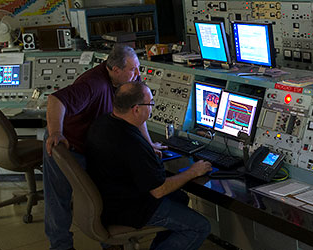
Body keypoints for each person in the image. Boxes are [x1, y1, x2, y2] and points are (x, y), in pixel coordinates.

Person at [43, 44, 166, 250]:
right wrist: (56, 132)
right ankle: (60, 246)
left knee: (103, 193)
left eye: (138, 68)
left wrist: (148, 143)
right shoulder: (93, 84)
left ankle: (110, 244)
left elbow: (139, 109)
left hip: (94, 144)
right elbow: (56, 100)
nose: (138, 74)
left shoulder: (128, 79)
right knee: (59, 198)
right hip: (67, 143)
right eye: (132, 69)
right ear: (115, 70)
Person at [86, 81, 212, 250]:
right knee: (200, 227)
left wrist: (148, 150)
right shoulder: (131, 143)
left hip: (109, 200)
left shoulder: (102, 123)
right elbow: (159, 190)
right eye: (150, 103)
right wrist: (192, 171)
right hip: (130, 208)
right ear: (136, 109)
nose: (152, 108)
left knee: (180, 198)